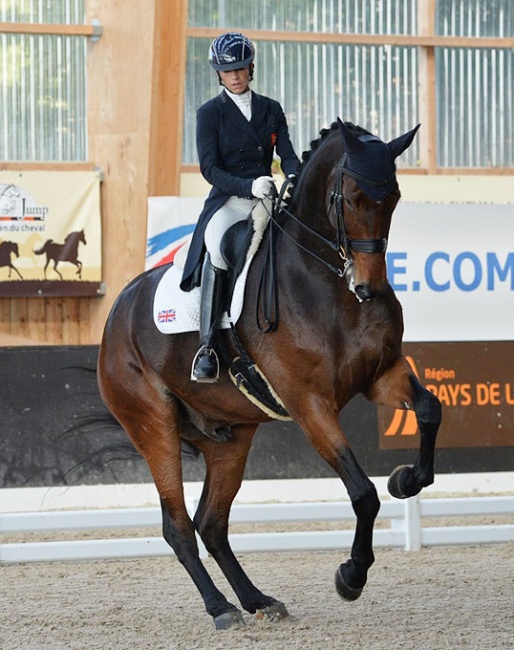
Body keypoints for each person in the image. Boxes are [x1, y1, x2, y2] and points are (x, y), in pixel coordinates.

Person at [180, 32, 300, 383]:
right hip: (231, 201)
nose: (234, 75)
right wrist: (247, 185)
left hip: (266, 200)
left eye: (239, 68)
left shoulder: (271, 109)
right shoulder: (210, 113)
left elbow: (288, 154)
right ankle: (207, 346)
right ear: (219, 73)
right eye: (227, 70)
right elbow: (209, 168)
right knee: (217, 247)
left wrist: (293, 175)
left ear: (251, 68)